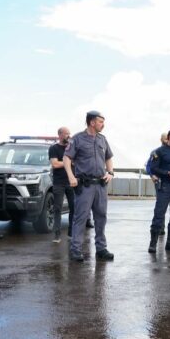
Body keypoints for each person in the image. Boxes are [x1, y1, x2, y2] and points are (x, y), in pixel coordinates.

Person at [64, 110, 115, 262]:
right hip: (85, 185)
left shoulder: (102, 139)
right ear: (92, 122)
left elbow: (109, 157)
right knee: (80, 217)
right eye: (100, 121)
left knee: (101, 217)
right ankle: (75, 250)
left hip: (101, 184)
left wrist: (110, 172)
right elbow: (66, 158)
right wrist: (71, 177)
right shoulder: (77, 139)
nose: (103, 124)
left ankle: (101, 248)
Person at [49, 127, 74, 243]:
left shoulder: (72, 148)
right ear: (60, 135)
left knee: (74, 208)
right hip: (59, 182)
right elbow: (54, 164)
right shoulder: (54, 148)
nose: (68, 136)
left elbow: (77, 161)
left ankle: (71, 232)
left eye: (69, 133)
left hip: (72, 181)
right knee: (57, 208)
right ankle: (57, 235)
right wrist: (69, 162)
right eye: (66, 134)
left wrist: (62, 163)